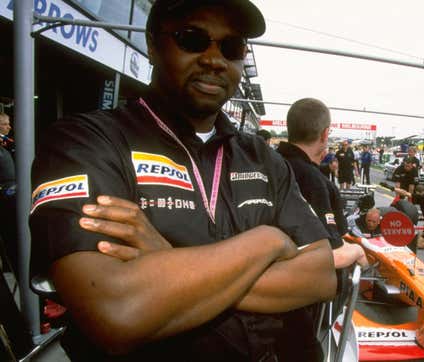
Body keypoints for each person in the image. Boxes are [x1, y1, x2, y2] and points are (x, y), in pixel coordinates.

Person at [29, 2, 338, 360]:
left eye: (231, 47)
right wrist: (266, 242)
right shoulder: (87, 142)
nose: (213, 59)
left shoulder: (264, 158)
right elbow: (116, 311)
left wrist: (169, 260)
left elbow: (320, 276)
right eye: (192, 39)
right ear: (152, 44)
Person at [276, 98, 367, 269]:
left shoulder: (271, 163)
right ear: (325, 134)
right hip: (304, 282)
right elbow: (331, 253)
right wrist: (358, 251)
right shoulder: (313, 180)